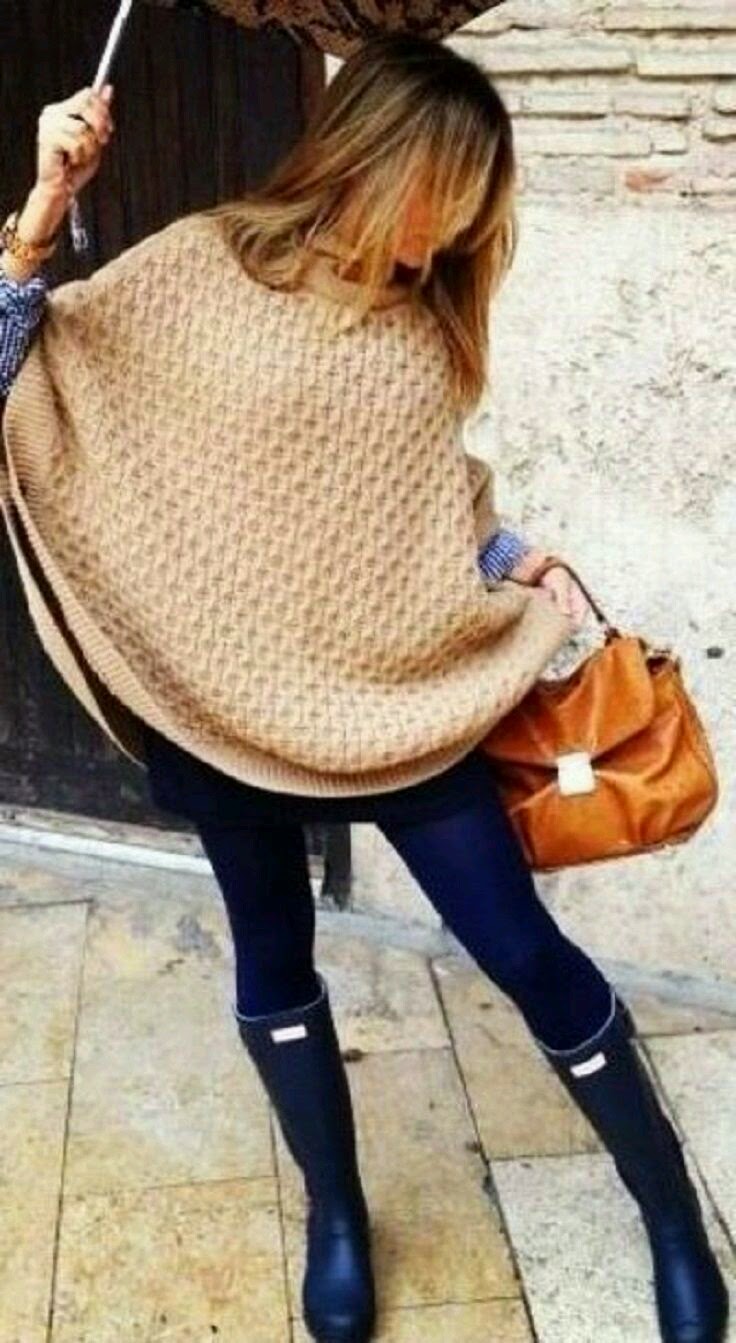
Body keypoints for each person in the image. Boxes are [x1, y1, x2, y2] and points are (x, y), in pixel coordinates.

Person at [0, 34, 727, 1343]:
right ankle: (337, 1214)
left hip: (397, 705)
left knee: (523, 949)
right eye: (446, 193)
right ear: (373, 158)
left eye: (477, 206)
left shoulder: (426, 328)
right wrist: (43, 214)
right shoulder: (200, 266)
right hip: (222, 703)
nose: (456, 230)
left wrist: (511, 558)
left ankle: (672, 1214)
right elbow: (27, 378)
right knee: (273, 952)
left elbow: (418, 508)